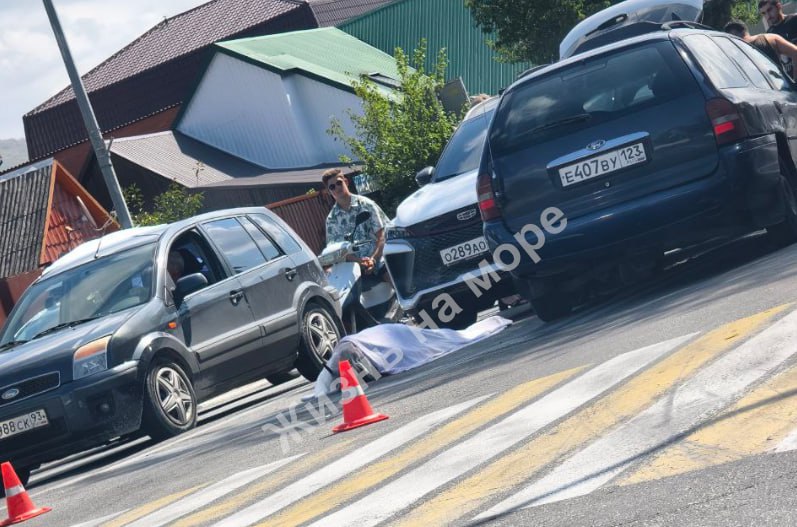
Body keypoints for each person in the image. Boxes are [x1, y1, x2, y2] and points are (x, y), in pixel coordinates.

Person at [323, 168, 390, 275]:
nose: (337, 187)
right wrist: (359, 262)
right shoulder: (331, 220)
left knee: (389, 274)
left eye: (339, 183)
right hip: (352, 268)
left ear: (346, 182)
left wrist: (373, 260)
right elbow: (337, 252)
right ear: (328, 191)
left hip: (379, 258)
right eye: (332, 186)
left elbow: (383, 236)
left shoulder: (367, 204)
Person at [724, 20, 797, 69]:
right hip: (783, 89)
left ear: (733, 35)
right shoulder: (770, 38)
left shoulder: (736, 53)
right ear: (745, 29)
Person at [760, 0, 797, 76]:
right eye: (764, 13)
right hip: (790, 81)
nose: (768, 16)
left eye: (769, 10)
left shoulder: (794, 20)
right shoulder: (769, 34)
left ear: (779, 6)